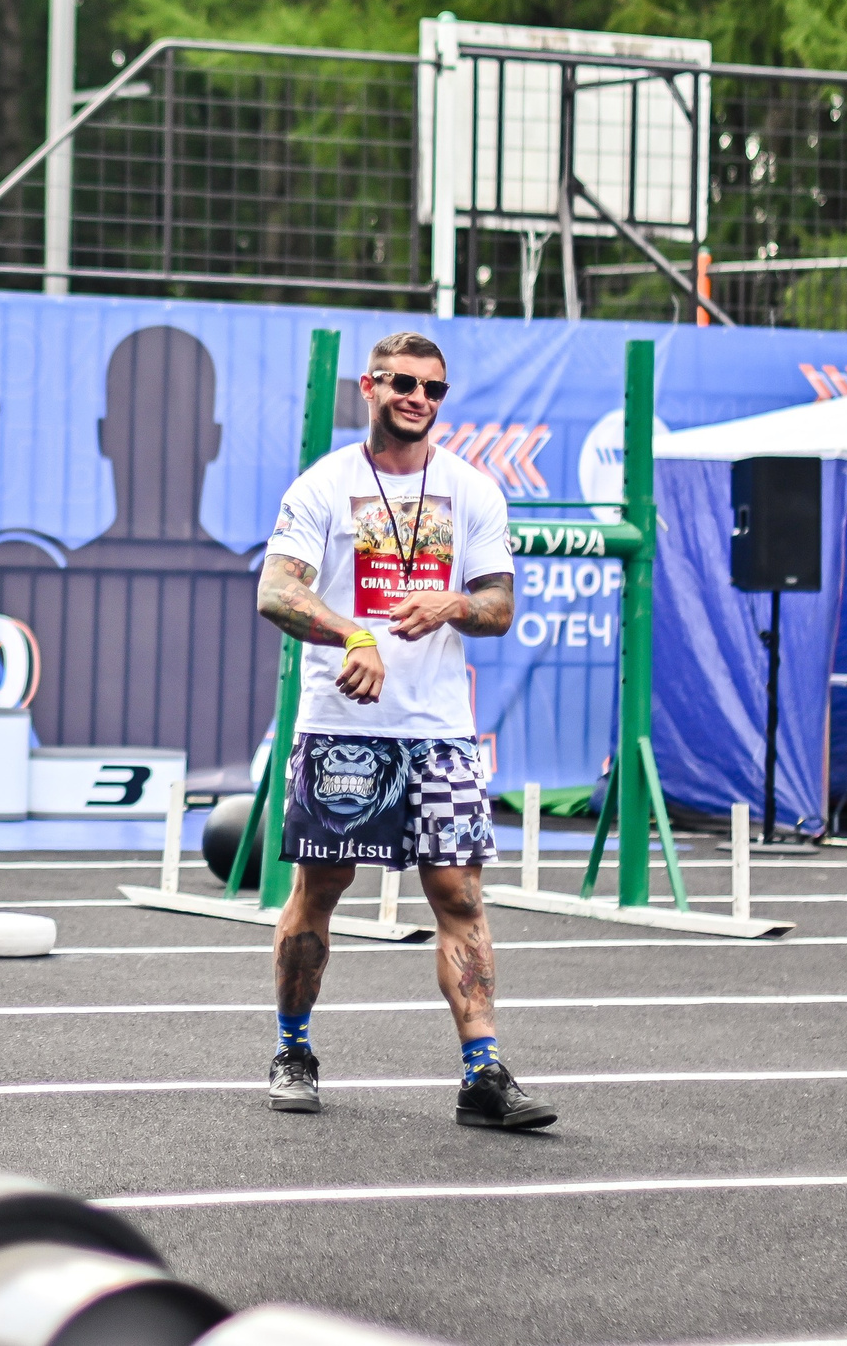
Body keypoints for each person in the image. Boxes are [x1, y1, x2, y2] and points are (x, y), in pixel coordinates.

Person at [253, 330, 555, 1130]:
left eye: (433, 387)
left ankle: (482, 1073)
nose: (418, 397)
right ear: (370, 387)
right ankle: (294, 1049)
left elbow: (498, 606)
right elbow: (276, 590)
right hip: (342, 724)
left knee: (459, 892)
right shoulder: (324, 485)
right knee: (321, 888)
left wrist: (452, 603)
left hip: (440, 730)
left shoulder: (474, 491)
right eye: (402, 383)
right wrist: (354, 635)